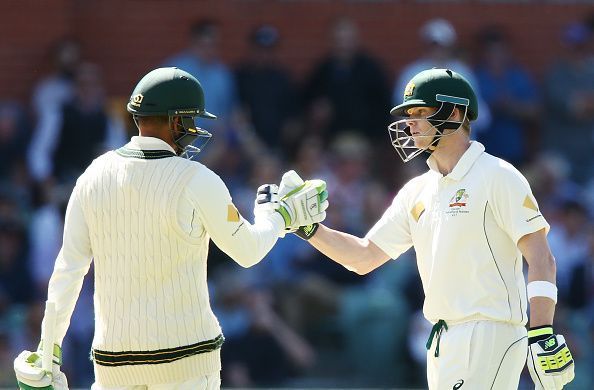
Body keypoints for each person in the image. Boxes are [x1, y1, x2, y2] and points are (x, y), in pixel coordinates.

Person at [13, 67, 328, 390]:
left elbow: (68, 270)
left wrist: (47, 350)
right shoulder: (197, 178)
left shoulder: (93, 175)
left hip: (115, 364)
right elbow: (248, 252)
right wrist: (278, 217)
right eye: (191, 120)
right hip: (186, 363)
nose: (194, 129)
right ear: (176, 121)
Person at [285, 68, 575, 389]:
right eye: (409, 113)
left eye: (421, 112)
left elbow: (541, 259)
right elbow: (363, 257)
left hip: (490, 332)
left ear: (454, 112)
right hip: (440, 338)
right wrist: (309, 228)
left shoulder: (498, 175)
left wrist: (542, 333)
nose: (410, 122)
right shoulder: (416, 191)